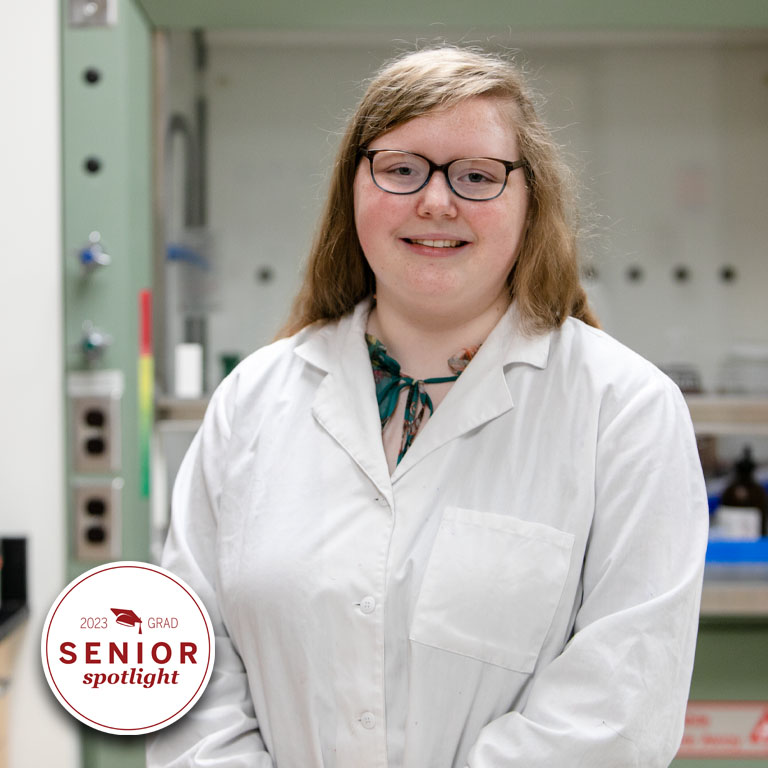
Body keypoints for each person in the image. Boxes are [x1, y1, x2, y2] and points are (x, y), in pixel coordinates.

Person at [147, 46, 708, 767]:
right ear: (353, 190)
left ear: (529, 201)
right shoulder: (253, 399)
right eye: (401, 169)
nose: (437, 201)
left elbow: (618, 709)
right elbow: (186, 664)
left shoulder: (623, 410)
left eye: (477, 176)